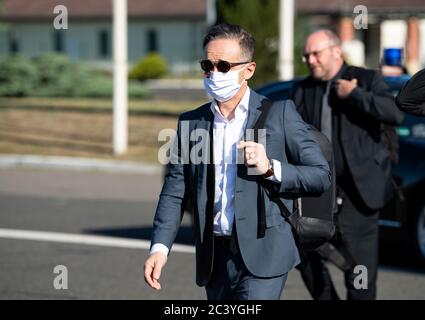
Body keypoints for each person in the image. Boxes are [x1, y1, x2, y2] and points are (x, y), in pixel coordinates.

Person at [144, 23, 331, 300]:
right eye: (208, 65)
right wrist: (159, 248)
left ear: (249, 70)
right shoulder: (191, 123)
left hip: (265, 255)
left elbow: (320, 176)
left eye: (223, 66)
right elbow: (174, 192)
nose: (213, 73)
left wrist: (271, 168)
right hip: (214, 258)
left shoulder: (279, 114)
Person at [290, 29, 404, 300]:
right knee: (305, 254)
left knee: (360, 271)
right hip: (316, 194)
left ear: (336, 51)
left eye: (315, 54)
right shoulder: (303, 90)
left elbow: (395, 112)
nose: (310, 60)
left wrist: (354, 95)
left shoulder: (366, 79)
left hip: (358, 194)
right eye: (306, 55)